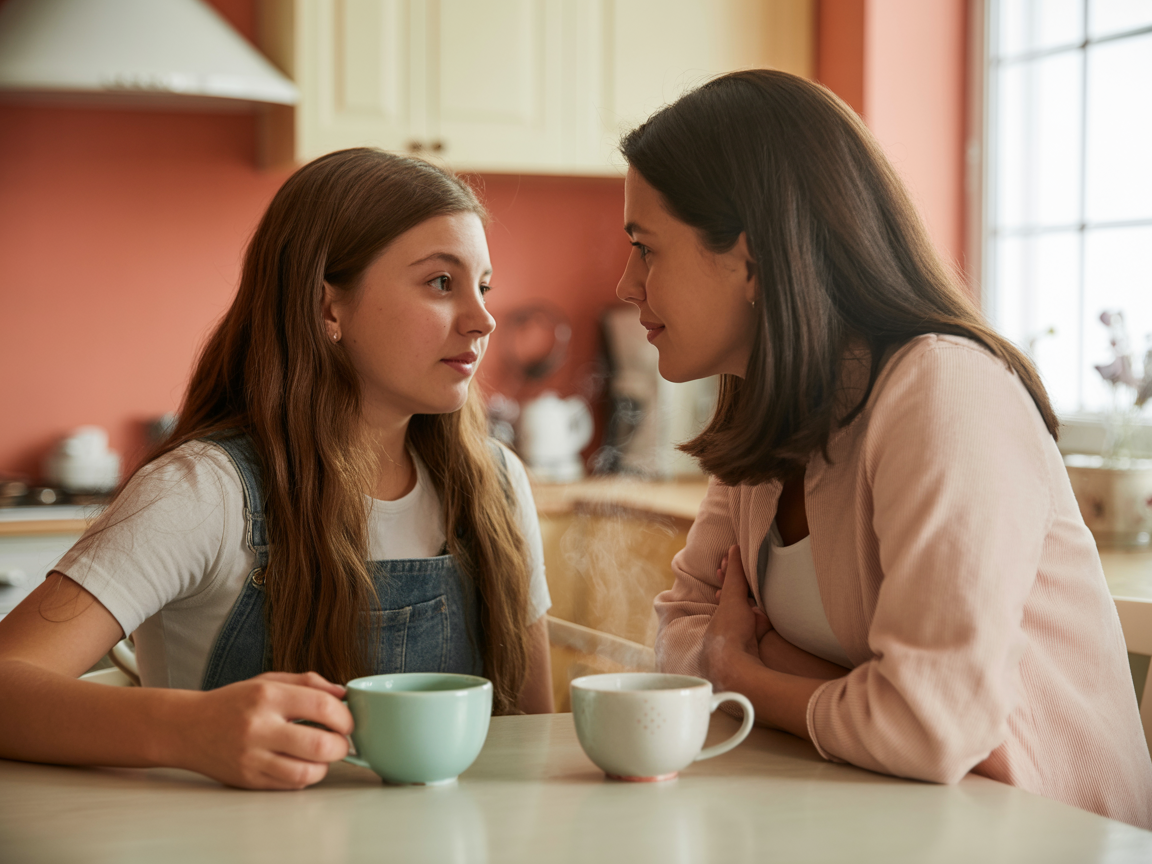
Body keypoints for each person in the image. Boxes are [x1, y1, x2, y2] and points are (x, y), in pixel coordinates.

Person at [615, 69, 1152, 828]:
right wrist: (853, 688)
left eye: (646, 248)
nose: (625, 283)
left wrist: (746, 670)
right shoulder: (770, 413)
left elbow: (929, 728)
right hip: (885, 818)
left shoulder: (943, 391)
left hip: (1041, 833)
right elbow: (677, 636)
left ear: (751, 257)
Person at [0, 148, 554, 790]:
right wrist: (187, 728)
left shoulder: (498, 482)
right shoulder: (203, 491)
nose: (483, 320)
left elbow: (532, 735)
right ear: (328, 309)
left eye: (484, 285)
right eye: (440, 283)